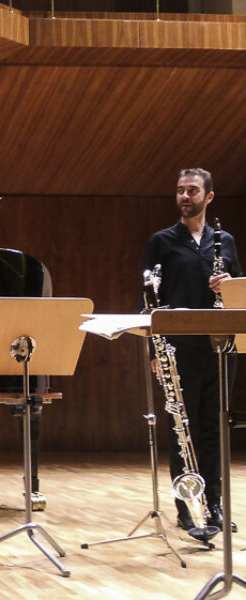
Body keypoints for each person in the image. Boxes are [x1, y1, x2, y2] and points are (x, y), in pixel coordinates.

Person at [142, 168, 242, 533]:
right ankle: (187, 505)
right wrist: (156, 348)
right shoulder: (162, 241)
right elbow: (150, 298)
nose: (185, 197)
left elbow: (238, 294)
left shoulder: (224, 241)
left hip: (218, 346)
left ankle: (213, 503)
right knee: (181, 426)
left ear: (208, 197)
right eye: (180, 190)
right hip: (178, 347)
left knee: (214, 426)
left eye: (193, 191)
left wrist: (227, 286)